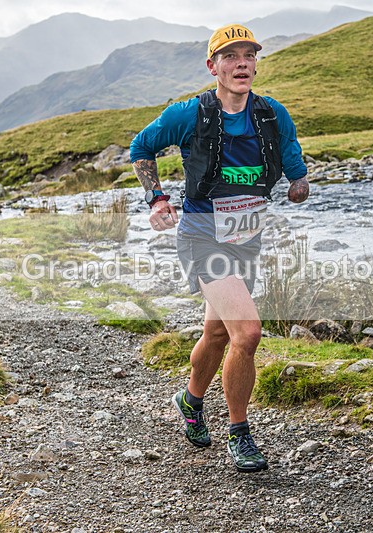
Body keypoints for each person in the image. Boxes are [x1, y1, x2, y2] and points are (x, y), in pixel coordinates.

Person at [130, 24, 310, 473]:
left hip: (247, 236)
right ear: (213, 67)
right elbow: (141, 148)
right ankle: (240, 432)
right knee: (247, 332)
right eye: (230, 56)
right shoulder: (189, 114)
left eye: (249, 55)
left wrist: (299, 183)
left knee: (218, 332)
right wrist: (157, 198)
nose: (242, 63)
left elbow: (291, 155)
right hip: (201, 235)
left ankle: (189, 399)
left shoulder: (271, 114)